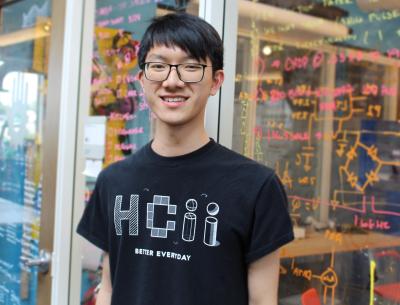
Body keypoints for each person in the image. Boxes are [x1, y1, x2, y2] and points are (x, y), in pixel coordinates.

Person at [77, 12, 294, 305]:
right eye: (158, 66)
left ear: (216, 81)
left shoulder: (256, 187)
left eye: (191, 67)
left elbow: (262, 301)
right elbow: (110, 287)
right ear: (142, 80)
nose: (172, 81)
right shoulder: (113, 180)